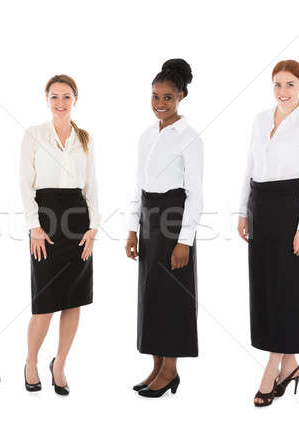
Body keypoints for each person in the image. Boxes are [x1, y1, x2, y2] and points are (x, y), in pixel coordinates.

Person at [237, 59, 299, 407]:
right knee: (267, 289)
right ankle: (290, 365)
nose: (283, 91)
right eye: (277, 84)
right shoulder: (260, 119)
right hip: (260, 205)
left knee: (287, 289)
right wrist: (243, 210)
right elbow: (249, 165)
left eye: (290, 84)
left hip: (289, 209)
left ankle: (273, 367)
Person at [125, 59, 203, 398]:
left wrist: (184, 240)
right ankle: (156, 365)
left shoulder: (189, 138)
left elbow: (196, 194)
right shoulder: (147, 136)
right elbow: (139, 184)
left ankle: (171, 369)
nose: (160, 103)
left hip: (174, 220)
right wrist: (132, 228)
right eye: (155, 96)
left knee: (172, 296)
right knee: (151, 295)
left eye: (168, 97)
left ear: (182, 96)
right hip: (148, 218)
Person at [19, 74, 100, 396]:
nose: (60, 102)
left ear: (75, 99)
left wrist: (94, 228)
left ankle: (61, 364)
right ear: (47, 99)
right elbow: (25, 183)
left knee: (73, 301)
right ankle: (30, 362)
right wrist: (33, 227)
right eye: (55, 96)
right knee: (44, 303)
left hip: (78, 220)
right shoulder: (34, 134)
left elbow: (91, 185)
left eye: (66, 97)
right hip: (46, 219)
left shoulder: (85, 138)